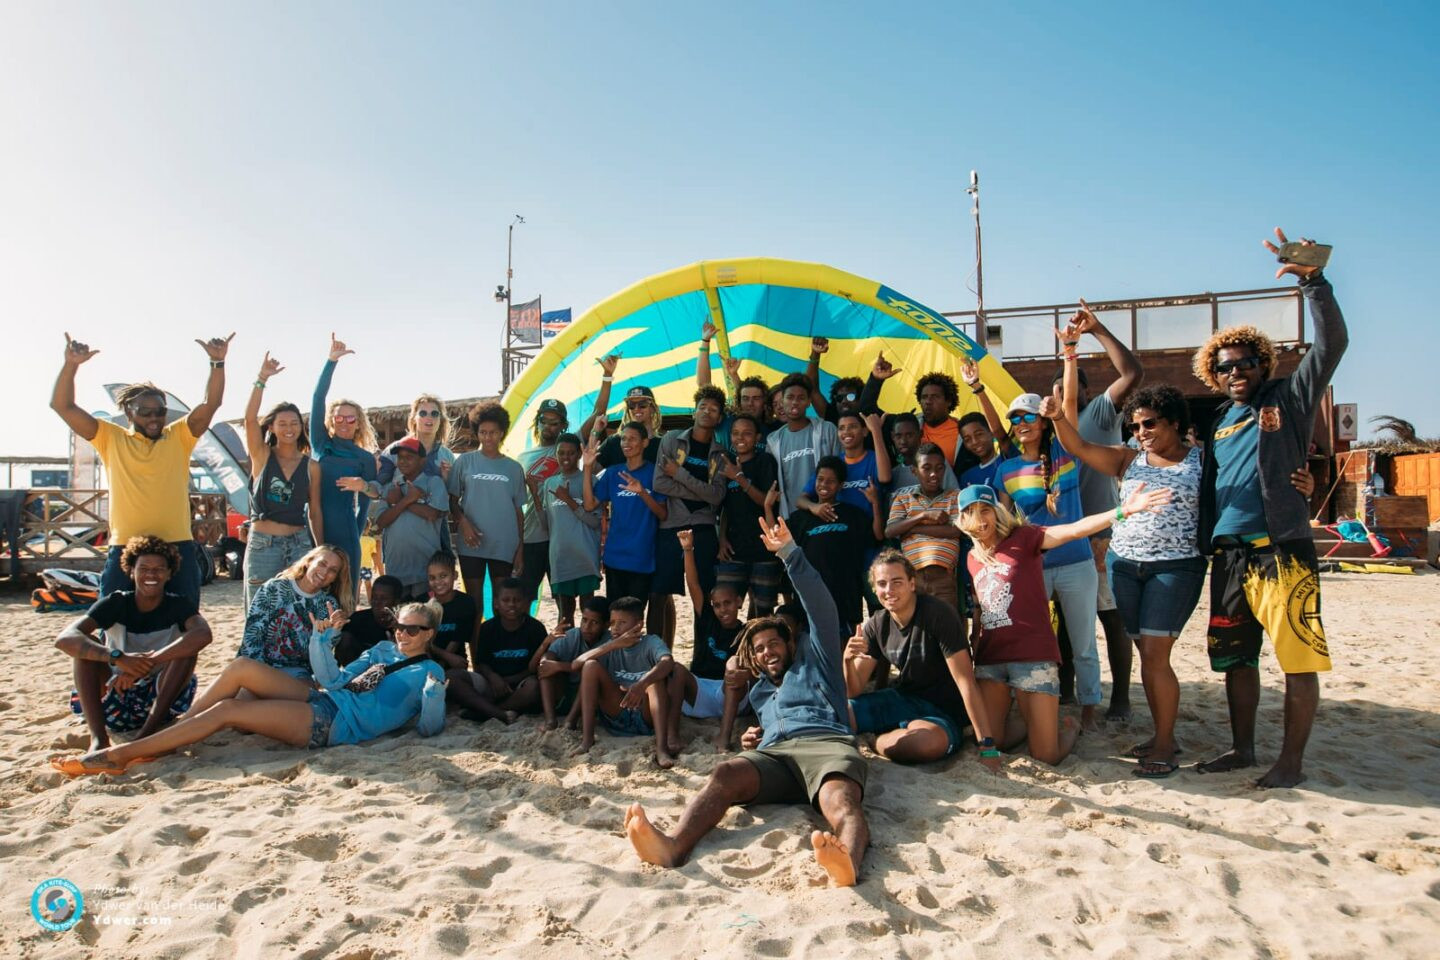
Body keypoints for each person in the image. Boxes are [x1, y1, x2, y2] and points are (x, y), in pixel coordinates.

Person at [624, 515, 870, 887]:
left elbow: (822, 609)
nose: (768, 651)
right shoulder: (757, 690)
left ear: (790, 645)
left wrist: (789, 552)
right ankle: (674, 846)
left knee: (842, 802)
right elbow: (750, 718)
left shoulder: (817, 665)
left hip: (827, 746)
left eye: (774, 643)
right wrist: (753, 737)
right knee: (725, 773)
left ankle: (846, 864)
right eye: (759, 648)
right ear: (752, 658)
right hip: (777, 758)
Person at [1192, 229, 1348, 789]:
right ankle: (1242, 749)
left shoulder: (1288, 399)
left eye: (1246, 363)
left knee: (1298, 662)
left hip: (1281, 552)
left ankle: (1292, 763)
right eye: (1226, 367)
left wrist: (1315, 282)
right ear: (1215, 374)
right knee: (1236, 660)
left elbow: (1331, 347)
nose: (1237, 372)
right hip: (1229, 558)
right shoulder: (1219, 423)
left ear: (1264, 364)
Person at [51, 601, 447, 777]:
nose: (403, 634)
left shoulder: (427, 672)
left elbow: (429, 730)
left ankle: (121, 755)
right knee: (241, 671)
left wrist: (434, 696)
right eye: (399, 626)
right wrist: (321, 642)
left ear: (429, 634)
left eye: (413, 629)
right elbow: (334, 681)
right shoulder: (380, 648)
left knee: (229, 712)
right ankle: (171, 733)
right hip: (324, 697)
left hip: (336, 725)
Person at [959, 483, 1170, 765]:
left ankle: (1069, 728)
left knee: (1045, 756)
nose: (980, 520)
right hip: (992, 660)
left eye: (985, 510)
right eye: (970, 513)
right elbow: (981, 606)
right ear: (962, 520)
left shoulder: (1025, 537)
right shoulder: (972, 558)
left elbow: (1073, 529)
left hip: (1032, 658)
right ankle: (1030, 722)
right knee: (993, 742)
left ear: (997, 512)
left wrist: (1123, 511)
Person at [50, 331, 234, 608]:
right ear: (128, 412)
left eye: (159, 411)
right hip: (126, 546)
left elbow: (211, 404)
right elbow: (62, 406)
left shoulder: (179, 436)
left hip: (178, 545)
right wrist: (71, 365)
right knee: (110, 619)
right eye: (144, 411)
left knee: (185, 619)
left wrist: (217, 363)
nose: (154, 417)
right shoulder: (110, 437)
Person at [1047, 302, 1145, 720]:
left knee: (1111, 617)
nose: (1065, 396)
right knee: (1069, 624)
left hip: (1103, 533)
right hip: (1067, 538)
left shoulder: (1100, 412)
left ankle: (1120, 698)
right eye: (1056, 393)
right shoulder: (1050, 433)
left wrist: (1097, 332)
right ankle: (1070, 694)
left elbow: (1132, 375)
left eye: (1070, 388)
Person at [984, 391, 1104, 730]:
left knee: (1083, 645)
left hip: (1077, 562)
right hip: (1033, 568)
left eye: (1028, 416)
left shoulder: (1065, 453)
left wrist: (1069, 355)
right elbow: (1004, 520)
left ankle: (1090, 710)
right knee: (1035, 644)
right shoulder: (1006, 469)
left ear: (1043, 420)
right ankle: (1037, 704)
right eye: (1015, 419)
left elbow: (1068, 414)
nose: (1021, 423)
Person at [57, 536, 213, 752]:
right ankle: (99, 739)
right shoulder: (116, 603)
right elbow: (65, 639)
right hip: (116, 694)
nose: (151, 574)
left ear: (169, 574)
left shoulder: (178, 604)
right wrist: (118, 658)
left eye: (159, 569)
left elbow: (203, 634)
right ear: (131, 571)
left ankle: (146, 734)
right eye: (144, 568)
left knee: (187, 649)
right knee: (86, 650)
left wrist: (146, 662)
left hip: (159, 699)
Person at [845, 549, 997, 767]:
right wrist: (847, 660)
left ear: (912, 583)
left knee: (924, 745)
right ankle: (894, 732)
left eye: (897, 582)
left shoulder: (938, 614)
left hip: (942, 711)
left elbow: (966, 683)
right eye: (882, 583)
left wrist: (987, 746)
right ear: (874, 588)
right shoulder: (877, 624)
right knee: (841, 713)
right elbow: (853, 690)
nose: (889, 590)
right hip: (901, 699)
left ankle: (876, 740)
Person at [242, 352, 324, 611]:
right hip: (263, 543)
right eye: (283, 423)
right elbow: (249, 420)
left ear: (301, 427)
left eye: (295, 422)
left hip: (299, 544)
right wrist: (262, 378)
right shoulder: (262, 456)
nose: (289, 427)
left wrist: (319, 550)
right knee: (258, 610)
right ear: (273, 428)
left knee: (297, 610)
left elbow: (315, 511)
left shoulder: (311, 466)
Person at [651, 387, 729, 642]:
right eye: (703, 406)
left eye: (714, 409)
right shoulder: (672, 439)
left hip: (704, 529)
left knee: (705, 595)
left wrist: (680, 475)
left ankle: (704, 653)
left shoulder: (720, 454)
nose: (707, 412)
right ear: (695, 410)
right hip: (671, 526)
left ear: (719, 418)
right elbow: (660, 483)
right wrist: (703, 492)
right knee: (659, 594)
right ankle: (658, 656)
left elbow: (718, 497)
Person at [573, 596, 685, 767]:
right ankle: (587, 740)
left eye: (622, 622)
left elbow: (667, 662)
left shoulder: (650, 642)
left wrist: (642, 684)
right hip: (616, 711)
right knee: (590, 666)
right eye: (612, 623)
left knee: (654, 681)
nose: (615, 628)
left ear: (638, 625)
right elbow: (577, 664)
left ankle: (661, 749)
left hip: (646, 715)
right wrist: (613, 645)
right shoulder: (609, 643)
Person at [312, 334, 379, 593]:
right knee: (316, 592)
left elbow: (365, 504)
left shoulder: (364, 458)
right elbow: (318, 399)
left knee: (345, 594)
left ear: (358, 422)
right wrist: (331, 362)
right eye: (339, 418)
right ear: (331, 420)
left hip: (347, 533)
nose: (344, 423)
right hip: (316, 530)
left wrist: (354, 531)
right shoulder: (321, 444)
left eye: (350, 419)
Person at [785, 456, 883, 630]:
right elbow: (781, 543)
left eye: (831, 481)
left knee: (845, 645)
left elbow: (877, 536)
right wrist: (769, 507)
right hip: (810, 593)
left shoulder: (853, 514)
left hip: (846, 594)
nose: (823, 485)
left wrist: (875, 503)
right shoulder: (800, 518)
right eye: (820, 479)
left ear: (840, 485)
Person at [675, 528, 750, 750]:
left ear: (739, 602)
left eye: (727, 603)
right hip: (700, 692)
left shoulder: (748, 631)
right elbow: (693, 585)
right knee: (677, 669)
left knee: (734, 666)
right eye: (717, 605)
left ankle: (724, 738)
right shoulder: (706, 619)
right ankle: (671, 735)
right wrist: (688, 549)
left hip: (731, 695)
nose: (722, 610)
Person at [448, 402, 527, 611]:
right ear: (477, 432)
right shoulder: (464, 462)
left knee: (502, 604)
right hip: (471, 544)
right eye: (483, 432)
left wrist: (520, 549)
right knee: (474, 603)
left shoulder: (514, 468)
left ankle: (497, 644)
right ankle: (476, 645)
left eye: (493, 432)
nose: (488, 437)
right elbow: (452, 500)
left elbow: (519, 511)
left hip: (504, 545)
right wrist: (463, 522)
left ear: (502, 432)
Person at [583, 422, 668, 610]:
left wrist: (642, 492)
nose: (626, 443)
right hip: (614, 557)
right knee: (616, 615)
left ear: (645, 443)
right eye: (623, 438)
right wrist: (588, 468)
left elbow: (663, 514)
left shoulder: (655, 472)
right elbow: (589, 505)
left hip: (642, 557)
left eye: (632, 438)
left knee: (633, 616)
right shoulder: (613, 473)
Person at [237, 545, 353, 680]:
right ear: (309, 561)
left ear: (335, 578)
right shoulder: (274, 588)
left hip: (298, 676)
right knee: (234, 700)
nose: (325, 572)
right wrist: (255, 677)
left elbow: (322, 658)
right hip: (259, 668)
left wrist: (334, 631)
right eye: (322, 563)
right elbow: (252, 638)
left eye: (333, 570)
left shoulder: (329, 605)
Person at [445, 578, 547, 723]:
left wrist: (507, 681)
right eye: (506, 600)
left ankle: (487, 711)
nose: (512, 604)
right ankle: (497, 712)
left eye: (517, 600)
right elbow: (481, 663)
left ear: (525, 604)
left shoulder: (536, 628)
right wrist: (493, 677)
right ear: (496, 604)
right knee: (450, 677)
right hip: (491, 682)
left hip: (520, 683)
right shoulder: (487, 628)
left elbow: (536, 667)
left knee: (534, 688)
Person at [715, 414, 783, 617]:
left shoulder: (765, 461)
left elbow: (766, 501)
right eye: (735, 433)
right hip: (734, 550)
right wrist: (721, 538)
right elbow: (725, 507)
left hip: (764, 550)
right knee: (725, 609)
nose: (740, 438)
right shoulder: (726, 463)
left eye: (747, 433)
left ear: (758, 438)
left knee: (762, 613)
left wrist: (740, 478)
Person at [885, 444, 964, 611]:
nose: (934, 474)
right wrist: (924, 516)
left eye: (939, 468)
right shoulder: (903, 498)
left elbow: (955, 531)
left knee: (947, 628)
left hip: (943, 576)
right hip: (913, 578)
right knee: (919, 630)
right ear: (914, 471)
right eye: (926, 468)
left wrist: (912, 529)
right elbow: (890, 530)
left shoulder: (954, 497)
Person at [369, 438, 448, 601]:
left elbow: (432, 514)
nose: (403, 461)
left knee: (424, 617)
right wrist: (406, 500)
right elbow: (380, 523)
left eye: (409, 457)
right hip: (396, 569)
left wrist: (400, 502)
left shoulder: (434, 483)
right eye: (400, 457)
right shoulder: (392, 488)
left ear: (422, 460)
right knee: (400, 618)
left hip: (425, 570)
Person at [540, 433, 602, 623]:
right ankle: (568, 652)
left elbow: (594, 522)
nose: (566, 457)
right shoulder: (549, 484)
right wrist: (535, 497)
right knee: (565, 615)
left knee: (588, 612)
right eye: (561, 453)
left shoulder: (590, 481)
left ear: (579, 455)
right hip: (560, 557)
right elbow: (547, 525)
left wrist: (569, 501)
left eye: (571, 453)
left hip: (585, 555)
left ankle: (589, 652)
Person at [766, 373, 841, 518]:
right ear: (782, 401)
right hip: (793, 518)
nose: (795, 402)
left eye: (801, 398)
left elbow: (841, 470)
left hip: (827, 512)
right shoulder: (773, 441)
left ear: (808, 402)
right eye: (790, 397)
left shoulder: (827, 429)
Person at [517, 398, 569, 603]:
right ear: (537, 422)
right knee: (524, 597)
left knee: (564, 600)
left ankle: (564, 636)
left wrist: (607, 377)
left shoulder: (567, 449)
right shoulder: (522, 456)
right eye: (544, 420)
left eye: (555, 422)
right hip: (532, 536)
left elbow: (597, 412)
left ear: (563, 426)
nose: (548, 426)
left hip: (562, 537)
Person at [538, 595, 612, 730]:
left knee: (588, 675)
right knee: (547, 663)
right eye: (584, 620)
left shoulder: (610, 642)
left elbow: (595, 670)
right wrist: (547, 661)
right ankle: (550, 719)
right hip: (566, 690)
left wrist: (559, 666)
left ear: (606, 625)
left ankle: (570, 720)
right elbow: (550, 655)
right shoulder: (573, 635)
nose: (587, 627)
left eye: (594, 623)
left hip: (592, 697)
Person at [796, 411, 892, 515]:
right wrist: (814, 507)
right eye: (841, 428)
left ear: (864, 431)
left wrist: (876, 430)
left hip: (868, 528)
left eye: (853, 427)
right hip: (839, 526)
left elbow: (885, 478)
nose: (846, 431)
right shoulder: (832, 463)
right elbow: (800, 500)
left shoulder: (875, 458)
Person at [580, 354, 663, 467]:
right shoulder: (614, 442)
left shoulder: (662, 445)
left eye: (643, 404)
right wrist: (595, 433)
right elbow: (592, 471)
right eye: (631, 405)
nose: (636, 409)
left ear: (653, 408)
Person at [377, 394, 458, 484]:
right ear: (414, 419)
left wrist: (448, 479)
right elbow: (380, 487)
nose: (429, 417)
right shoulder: (394, 450)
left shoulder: (447, 456)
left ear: (441, 420)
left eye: (434, 414)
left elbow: (454, 493)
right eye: (423, 413)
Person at [335, 574, 400, 666]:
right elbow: (340, 650)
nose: (377, 602)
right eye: (374, 596)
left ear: (396, 601)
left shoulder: (402, 625)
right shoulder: (357, 619)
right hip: (356, 671)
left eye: (383, 598)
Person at [888, 413, 959, 496]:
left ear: (920, 434)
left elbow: (955, 496)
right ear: (892, 437)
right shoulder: (892, 474)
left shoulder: (937, 463)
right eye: (898, 436)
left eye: (909, 435)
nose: (903, 441)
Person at [427, 551, 477, 666]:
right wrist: (442, 659)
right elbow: (421, 642)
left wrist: (444, 662)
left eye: (443, 576)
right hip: (427, 662)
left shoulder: (466, 602)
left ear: (455, 575)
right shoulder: (422, 602)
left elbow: (458, 639)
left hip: (454, 661)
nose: (438, 582)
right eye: (432, 578)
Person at [915, 371, 966, 466]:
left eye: (935, 397)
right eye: (924, 397)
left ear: (949, 401)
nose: (928, 402)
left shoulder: (962, 433)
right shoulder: (911, 425)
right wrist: (877, 380)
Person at [957, 413, 1002, 490]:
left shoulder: (1007, 461)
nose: (974, 442)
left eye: (979, 434)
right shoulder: (966, 477)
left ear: (991, 432)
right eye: (967, 439)